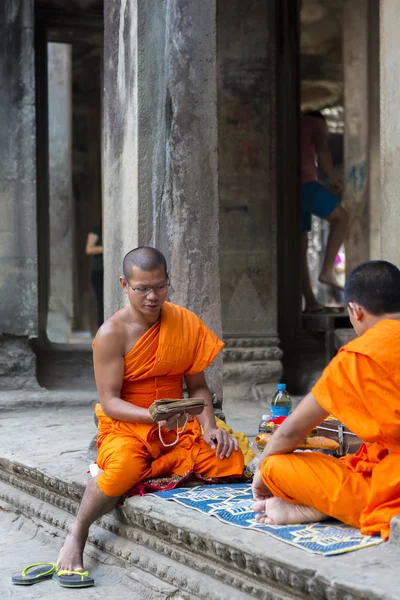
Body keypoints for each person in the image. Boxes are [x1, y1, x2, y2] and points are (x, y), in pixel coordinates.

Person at [55, 246, 244, 585]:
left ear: (168, 282)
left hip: (176, 424)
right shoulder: (112, 333)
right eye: (142, 288)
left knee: (228, 458)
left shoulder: (185, 322)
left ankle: (156, 470)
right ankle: (77, 532)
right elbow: (110, 402)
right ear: (124, 284)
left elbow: (198, 388)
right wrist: (152, 417)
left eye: (160, 286)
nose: (152, 296)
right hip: (128, 425)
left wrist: (210, 428)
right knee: (122, 470)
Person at [252, 260, 400, 541]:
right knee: (353, 460)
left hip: (391, 492)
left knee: (275, 464)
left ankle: (329, 507)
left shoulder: (357, 356)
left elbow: (291, 431)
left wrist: (261, 473)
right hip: (386, 470)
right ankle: (329, 506)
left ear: (356, 311)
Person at [301, 111, 348, 313]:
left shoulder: (295, 124)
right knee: (341, 218)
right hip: (306, 185)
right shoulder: (317, 123)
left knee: (300, 245)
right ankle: (327, 270)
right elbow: (323, 153)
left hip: (288, 187)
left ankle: (310, 300)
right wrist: (334, 178)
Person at [86, 221, 104, 329]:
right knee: (101, 302)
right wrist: (105, 248)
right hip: (98, 272)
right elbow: (89, 249)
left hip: (110, 271)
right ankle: (101, 329)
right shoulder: (97, 229)